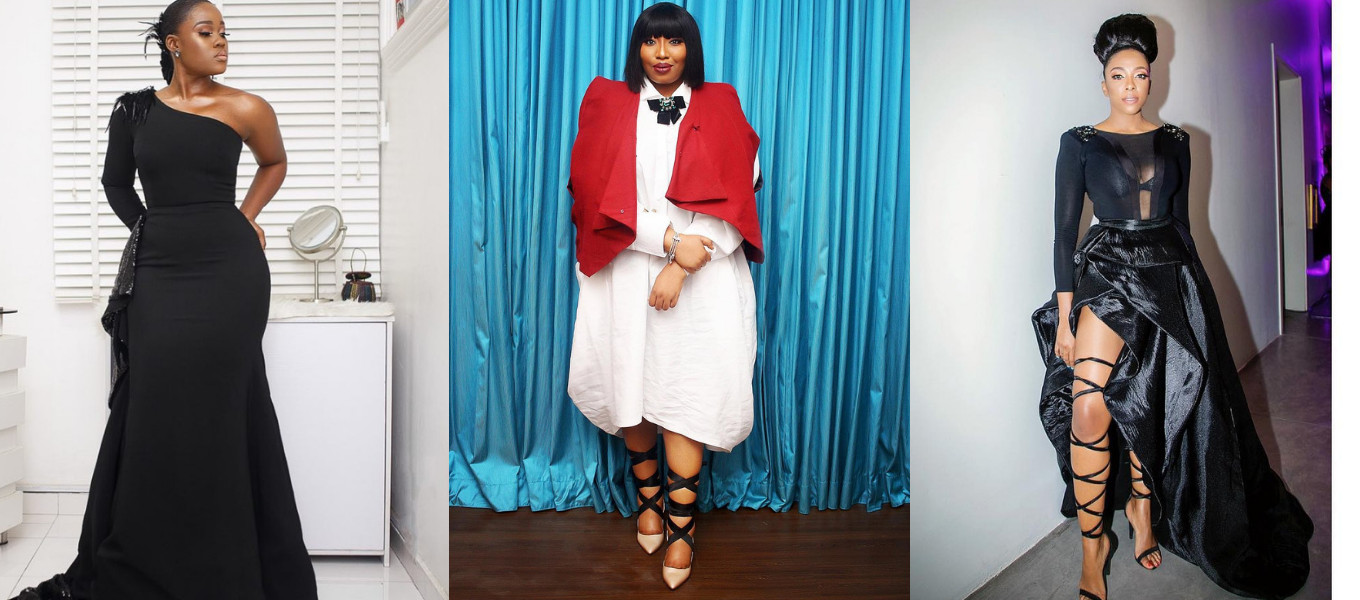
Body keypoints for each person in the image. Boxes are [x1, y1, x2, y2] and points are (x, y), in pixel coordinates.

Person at [15, 1, 317, 598]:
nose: (222, 42)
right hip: (157, 271)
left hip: (230, 273)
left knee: (225, 406)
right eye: (207, 32)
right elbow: (114, 182)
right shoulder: (133, 111)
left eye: (225, 33)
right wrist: (147, 229)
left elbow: (274, 162)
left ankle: (229, 560)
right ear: (174, 43)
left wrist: (245, 216)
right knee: (157, 406)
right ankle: (152, 554)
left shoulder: (248, 107)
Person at [1031, 13, 1313, 600]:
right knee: (1089, 409)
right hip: (1107, 273)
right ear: (1102, 81)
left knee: (1153, 401)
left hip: (1168, 274)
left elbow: (1182, 225)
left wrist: (1198, 304)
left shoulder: (1178, 142)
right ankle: (1092, 545)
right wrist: (1065, 316)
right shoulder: (1078, 143)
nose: (1130, 85)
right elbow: (1062, 233)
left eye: (1140, 74)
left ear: (1152, 78)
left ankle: (1142, 507)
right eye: (1118, 75)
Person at [565, 2, 763, 591]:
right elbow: (595, 195)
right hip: (625, 269)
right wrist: (670, 243)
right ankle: (647, 496)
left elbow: (741, 195)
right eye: (651, 41)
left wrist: (682, 265)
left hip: (705, 279)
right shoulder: (607, 104)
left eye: (673, 42)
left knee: (685, 394)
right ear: (638, 49)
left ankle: (682, 524)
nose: (661, 53)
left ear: (689, 49)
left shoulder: (722, 104)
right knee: (631, 386)